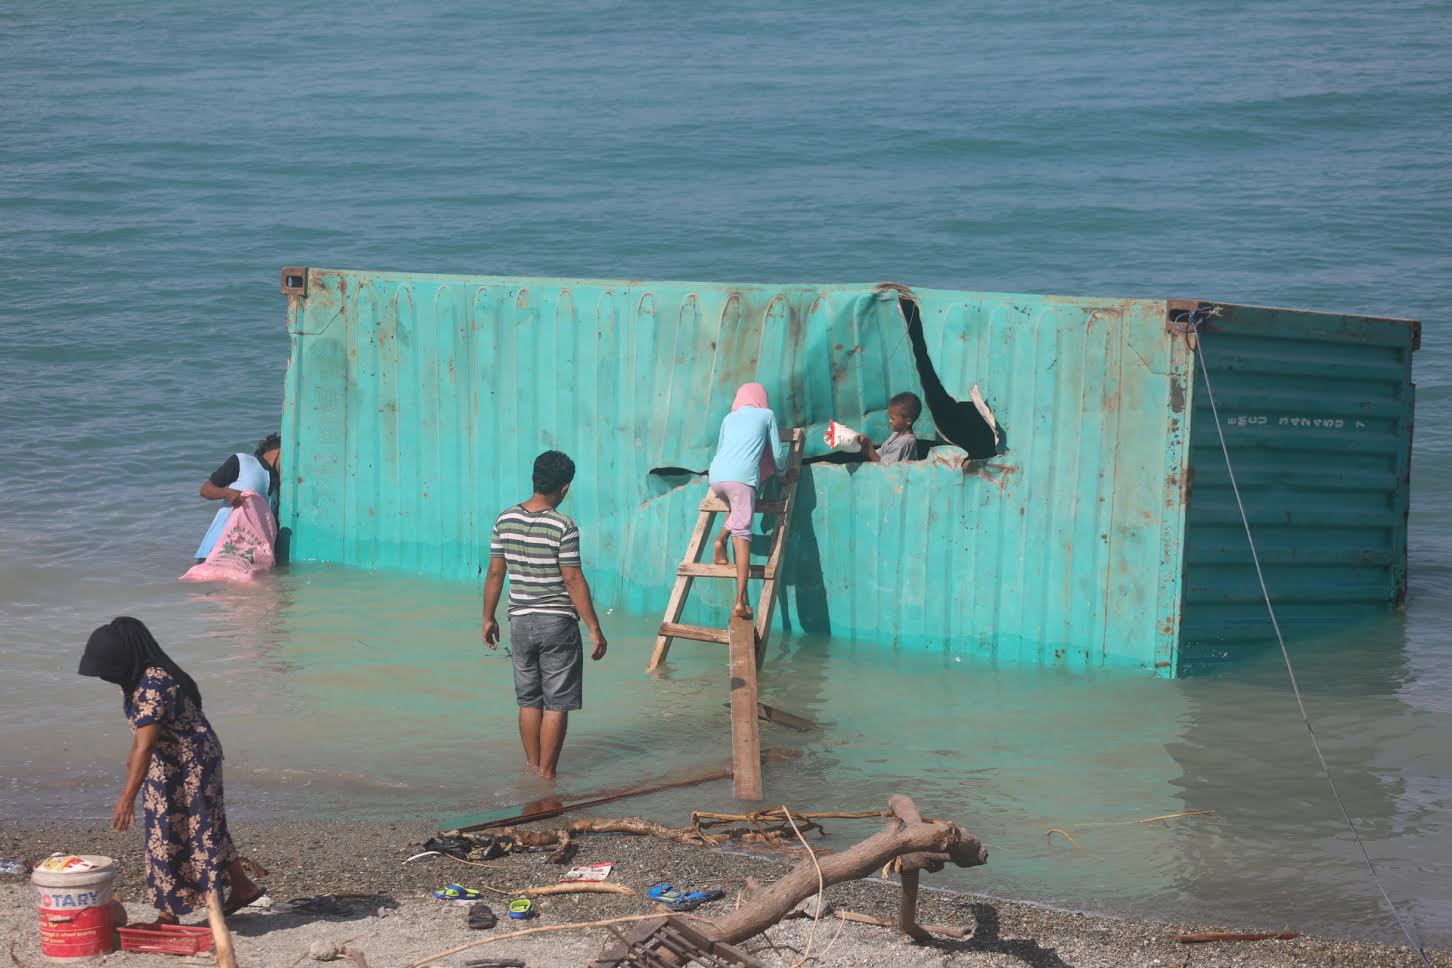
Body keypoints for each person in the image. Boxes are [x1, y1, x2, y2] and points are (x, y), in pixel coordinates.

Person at [78, 617, 263, 922]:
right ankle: (243, 888)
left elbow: (146, 744)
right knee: (207, 826)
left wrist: (127, 798)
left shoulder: (153, 683)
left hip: (191, 764)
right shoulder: (140, 680)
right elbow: (142, 739)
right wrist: (131, 766)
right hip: (178, 759)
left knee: (170, 833)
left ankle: (169, 914)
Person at [482, 451, 607, 781]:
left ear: (535, 479)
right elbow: (573, 578)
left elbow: (495, 574)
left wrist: (488, 618)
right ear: (565, 488)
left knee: (528, 700)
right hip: (557, 623)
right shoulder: (563, 525)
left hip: (519, 621)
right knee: (556, 703)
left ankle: (533, 768)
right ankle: (548, 776)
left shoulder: (504, 520)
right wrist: (595, 628)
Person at [708, 383, 788, 620]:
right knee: (742, 535)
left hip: (716, 477)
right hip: (741, 480)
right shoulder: (767, 415)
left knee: (736, 509)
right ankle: (741, 602)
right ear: (761, 399)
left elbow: (723, 448)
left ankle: (719, 542)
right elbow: (776, 453)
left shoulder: (729, 418)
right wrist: (782, 472)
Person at [196, 433, 281, 562]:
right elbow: (205, 489)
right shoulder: (242, 461)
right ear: (279, 450)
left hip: (244, 562)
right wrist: (226, 493)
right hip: (214, 553)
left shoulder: (278, 489)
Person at [861, 392, 923, 464]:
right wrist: (865, 448)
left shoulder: (904, 442)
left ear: (908, 421)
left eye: (893, 419)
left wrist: (869, 447)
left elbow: (885, 466)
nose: (890, 421)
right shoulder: (895, 434)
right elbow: (881, 454)